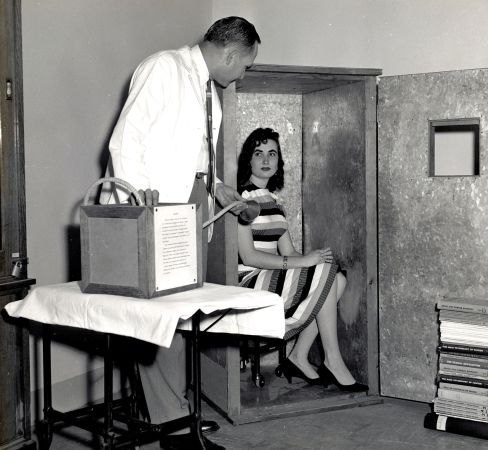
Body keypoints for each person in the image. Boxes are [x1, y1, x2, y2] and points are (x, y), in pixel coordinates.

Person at [101, 16, 261, 447]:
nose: (243, 73)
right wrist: (138, 204)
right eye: (245, 65)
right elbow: (124, 141)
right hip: (152, 210)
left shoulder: (210, 89)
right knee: (160, 319)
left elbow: (194, 162)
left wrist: (219, 188)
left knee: (179, 318)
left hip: (187, 209)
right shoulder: (163, 68)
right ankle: (172, 423)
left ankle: (174, 413)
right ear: (230, 54)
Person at [236, 127, 368, 392]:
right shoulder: (241, 199)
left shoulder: (274, 202)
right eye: (258, 153)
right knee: (325, 275)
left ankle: (298, 355)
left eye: (271, 154)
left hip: (271, 275)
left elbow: (289, 252)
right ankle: (332, 360)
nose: (265, 160)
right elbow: (248, 255)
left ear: (278, 161)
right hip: (248, 281)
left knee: (337, 279)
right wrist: (305, 263)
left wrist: (316, 259)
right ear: (248, 160)